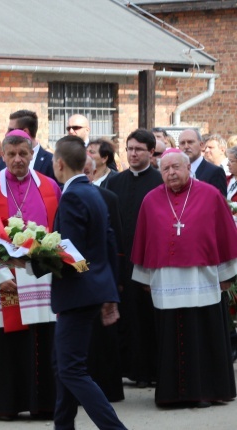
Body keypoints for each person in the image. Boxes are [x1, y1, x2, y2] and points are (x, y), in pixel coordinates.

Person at [0, 129, 61, 420]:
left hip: (41, 279)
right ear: (2, 156)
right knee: (6, 340)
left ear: (32, 154)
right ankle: (4, 405)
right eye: (12, 154)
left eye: (23, 153)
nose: (18, 159)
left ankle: (42, 404)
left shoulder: (50, 187)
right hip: (4, 280)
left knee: (41, 338)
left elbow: (60, 235)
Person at [131, 148, 237, 407]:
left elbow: (225, 237)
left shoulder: (211, 195)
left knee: (203, 333)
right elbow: (144, 240)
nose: (171, 173)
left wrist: (226, 277)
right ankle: (172, 394)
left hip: (203, 278)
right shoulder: (151, 200)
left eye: (176, 167)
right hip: (166, 281)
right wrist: (146, 278)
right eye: (165, 169)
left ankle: (206, 391)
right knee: (171, 336)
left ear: (189, 168)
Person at [40, 135, 126, 429]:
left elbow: (72, 253)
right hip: (91, 289)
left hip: (78, 293)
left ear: (59, 163)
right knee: (62, 366)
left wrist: (30, 258)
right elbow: (104, 244)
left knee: (72, 370)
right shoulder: (92, 191)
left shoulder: (74, 195)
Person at [106, 128, 163, 389]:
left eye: (139, 149)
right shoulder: (115, 181)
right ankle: (125, 367)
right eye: (129, 149)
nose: (133, 154)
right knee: (125, 314)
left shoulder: (160, 181)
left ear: (152, 152)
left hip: (149, 260)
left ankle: (148, 370)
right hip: (122, 258)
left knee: (146, 316)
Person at [83, 155, 125, 403]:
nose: (86, 176)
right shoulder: (63, 195)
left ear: (96, 172)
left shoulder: (109, 198)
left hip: (102, 277)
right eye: (82, 171)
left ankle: (108, 389)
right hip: (76, 277)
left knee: (105, 335)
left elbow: (116, 243)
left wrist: (116, 280)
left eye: (89, 172)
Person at [6, 110, 57, 182]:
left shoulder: (51, 161)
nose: (6, 134)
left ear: (25, 132)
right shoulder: (4, 159)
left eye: (11, 130)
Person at [178, 128, 226, 196]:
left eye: (190, 142)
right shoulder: (176, 171)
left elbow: (220, 202)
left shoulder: (215, 172)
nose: (186, 146)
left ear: (201, 145)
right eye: (182, 143)